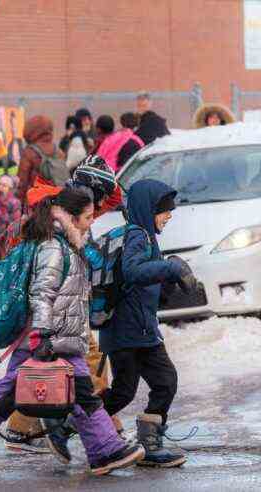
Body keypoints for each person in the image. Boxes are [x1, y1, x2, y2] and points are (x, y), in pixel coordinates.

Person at [0, 188, 144, 477]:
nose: (90, 222)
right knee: (15, 396)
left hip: (58, 339)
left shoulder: (67, 243)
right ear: (70, 217)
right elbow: (42, 294)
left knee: (78, 393)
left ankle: (104, 450)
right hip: (46, 339)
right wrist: (42, 337)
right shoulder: (53, 246)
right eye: (87, 217)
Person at [1, 156, 124, 451]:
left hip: (65, 302)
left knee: (39, 368)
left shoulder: (75, 204)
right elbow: (56, 267)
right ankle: (104, 430)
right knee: (80, 362)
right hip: (55, 303)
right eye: (101, 195)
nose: (104, 203)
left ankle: (23, 426)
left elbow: (117, 196)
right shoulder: (62, 210)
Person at [99, 179, 198, 468]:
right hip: (129, 330)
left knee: (142, 386)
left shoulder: (145, 236)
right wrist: (170, 267)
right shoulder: (137, 235)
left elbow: (143, 285)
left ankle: (147, 441)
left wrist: (168, 285)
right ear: (147, 209)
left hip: (134, 329)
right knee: (145, 386)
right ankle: (75, 422)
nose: (169, 215)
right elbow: (132, 271)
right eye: (164, 210)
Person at [16, 115, 65, 210]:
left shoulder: (29, 152)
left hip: (35, 203)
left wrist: (19, 202)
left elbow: (22, 182)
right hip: (56, 201)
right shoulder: (59, 152)